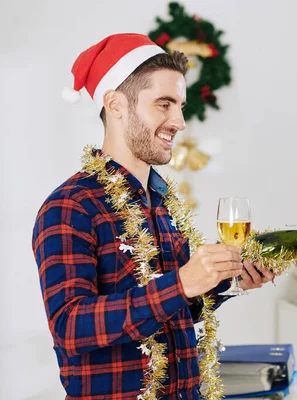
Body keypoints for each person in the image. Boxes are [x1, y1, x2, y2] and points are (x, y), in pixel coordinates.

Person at [32, 33, 274, 400]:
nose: (179, 121)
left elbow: (173, 312)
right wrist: (182, 282)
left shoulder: (161, 203)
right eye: (164, 104)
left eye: (180, 105)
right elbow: (70, 326)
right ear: (116, 104)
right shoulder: (71, 206)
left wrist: (223, 280)